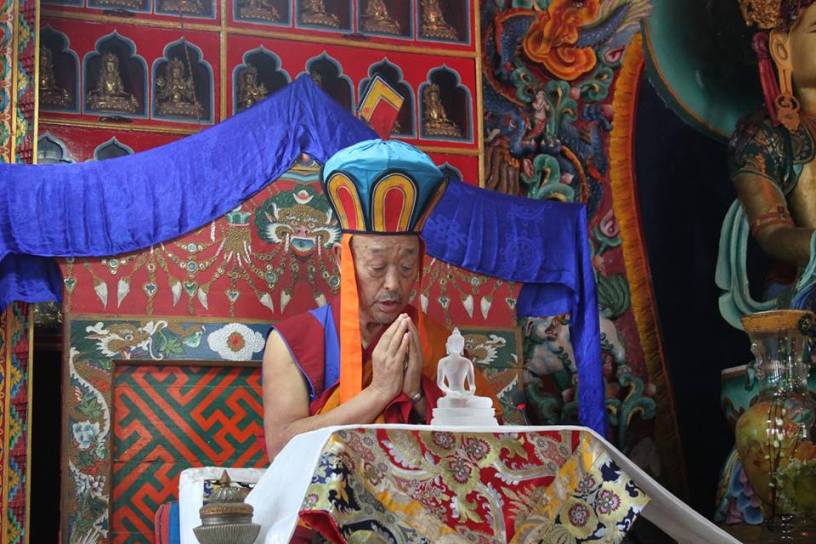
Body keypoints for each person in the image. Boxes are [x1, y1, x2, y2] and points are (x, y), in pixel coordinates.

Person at [261, 139, 500, 461]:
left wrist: (416, 395)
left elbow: (488, 443)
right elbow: (281, 448)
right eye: (376, 267)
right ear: (341, 259)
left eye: (405, 267)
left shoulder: (437, 341)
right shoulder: (294, 341)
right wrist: (380, 393)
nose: (393, 284)